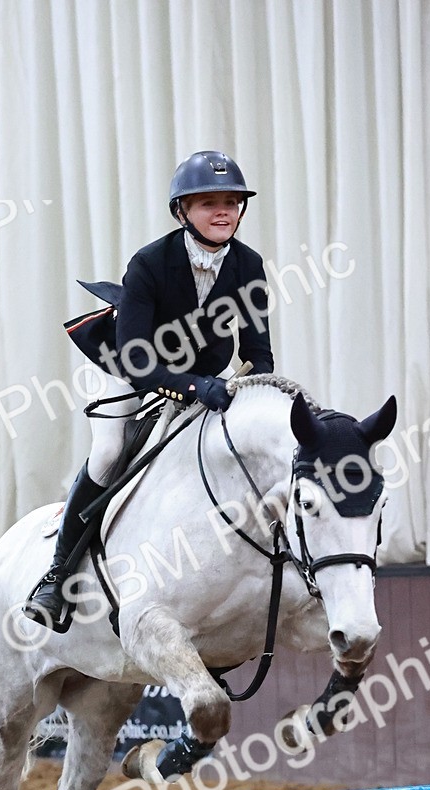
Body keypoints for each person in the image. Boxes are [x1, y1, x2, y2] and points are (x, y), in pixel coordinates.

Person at [23, 149, 275, 627]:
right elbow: (138, 360)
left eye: (232, 202)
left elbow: (258, 349)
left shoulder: (249, 264)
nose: (223, 211)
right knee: (109, 452)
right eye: (208, 203)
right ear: (182, 211)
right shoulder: (149, 263)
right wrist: (194, 386)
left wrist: (259, 391)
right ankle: (56, 578)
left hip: (203, 375)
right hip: (129, 364)